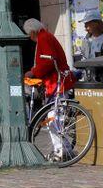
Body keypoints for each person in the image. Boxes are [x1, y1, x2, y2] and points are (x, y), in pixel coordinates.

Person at [22, 18, 75, 162]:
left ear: (32, 32)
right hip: (58, 80)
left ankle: (60, 150)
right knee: (56, 116)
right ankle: (65, 148)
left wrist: (33, 72)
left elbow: (47, 61)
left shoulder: (43, 38)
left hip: (56, 82)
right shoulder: (46, 36)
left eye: (29, 35)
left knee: (53, 117)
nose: (30, 38)